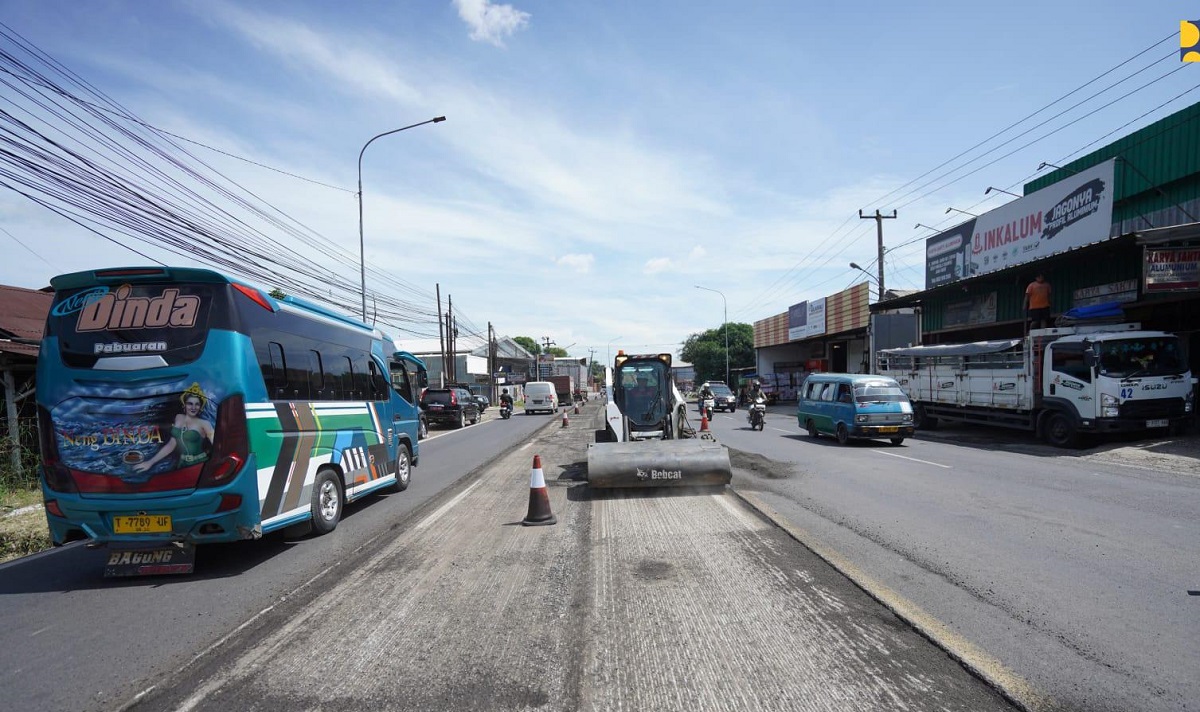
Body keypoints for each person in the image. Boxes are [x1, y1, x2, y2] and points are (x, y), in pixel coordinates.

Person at [135, 382, 214, 473]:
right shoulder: (179, 418)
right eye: (190, 404)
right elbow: (171, 444)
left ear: (200, 407)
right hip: (181, 464)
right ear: (184, 405)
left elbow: (216, 444)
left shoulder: (204, 424)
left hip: (198, 464)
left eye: (197, 404)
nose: (193, 407)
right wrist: (150, 462)